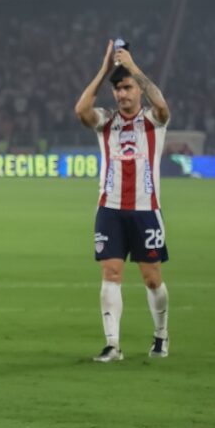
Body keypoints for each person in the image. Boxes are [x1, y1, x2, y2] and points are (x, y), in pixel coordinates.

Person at [74, 40, 170, 362]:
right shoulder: (105, 121)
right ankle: (113, 345)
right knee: (111, 274)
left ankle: (161, 336)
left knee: (152, 278)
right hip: (110, 210)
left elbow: (163, 106)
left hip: (145, 210)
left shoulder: (153, 121)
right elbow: (80, 111)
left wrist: (135, 68)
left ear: (137, 89)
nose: (122, 94)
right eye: (118, 89)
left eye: (127, 87)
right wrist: (104, 70)